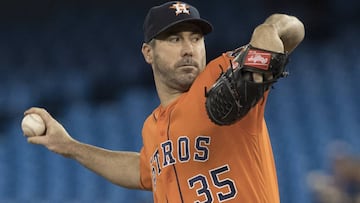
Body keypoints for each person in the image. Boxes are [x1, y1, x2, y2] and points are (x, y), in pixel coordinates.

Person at [23, 1, 304, 202]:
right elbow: (142, 171)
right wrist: (69, 147)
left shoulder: (223, 74)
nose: (188, 49)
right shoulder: (152, 126)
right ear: (148, 52)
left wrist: (268, 29)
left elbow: (292, 31)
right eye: (174, 39)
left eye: (196, 39)